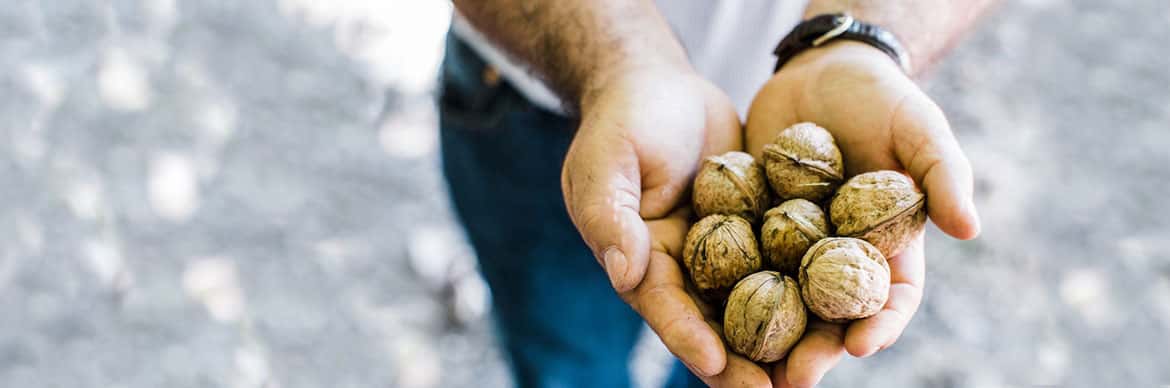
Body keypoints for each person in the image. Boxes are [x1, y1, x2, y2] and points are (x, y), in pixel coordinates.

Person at [439, 1, 995, 387]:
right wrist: (617, 65)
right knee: (565, 358)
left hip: (803, 88)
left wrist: (860, 37)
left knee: (718, 366)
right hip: (539, 96)